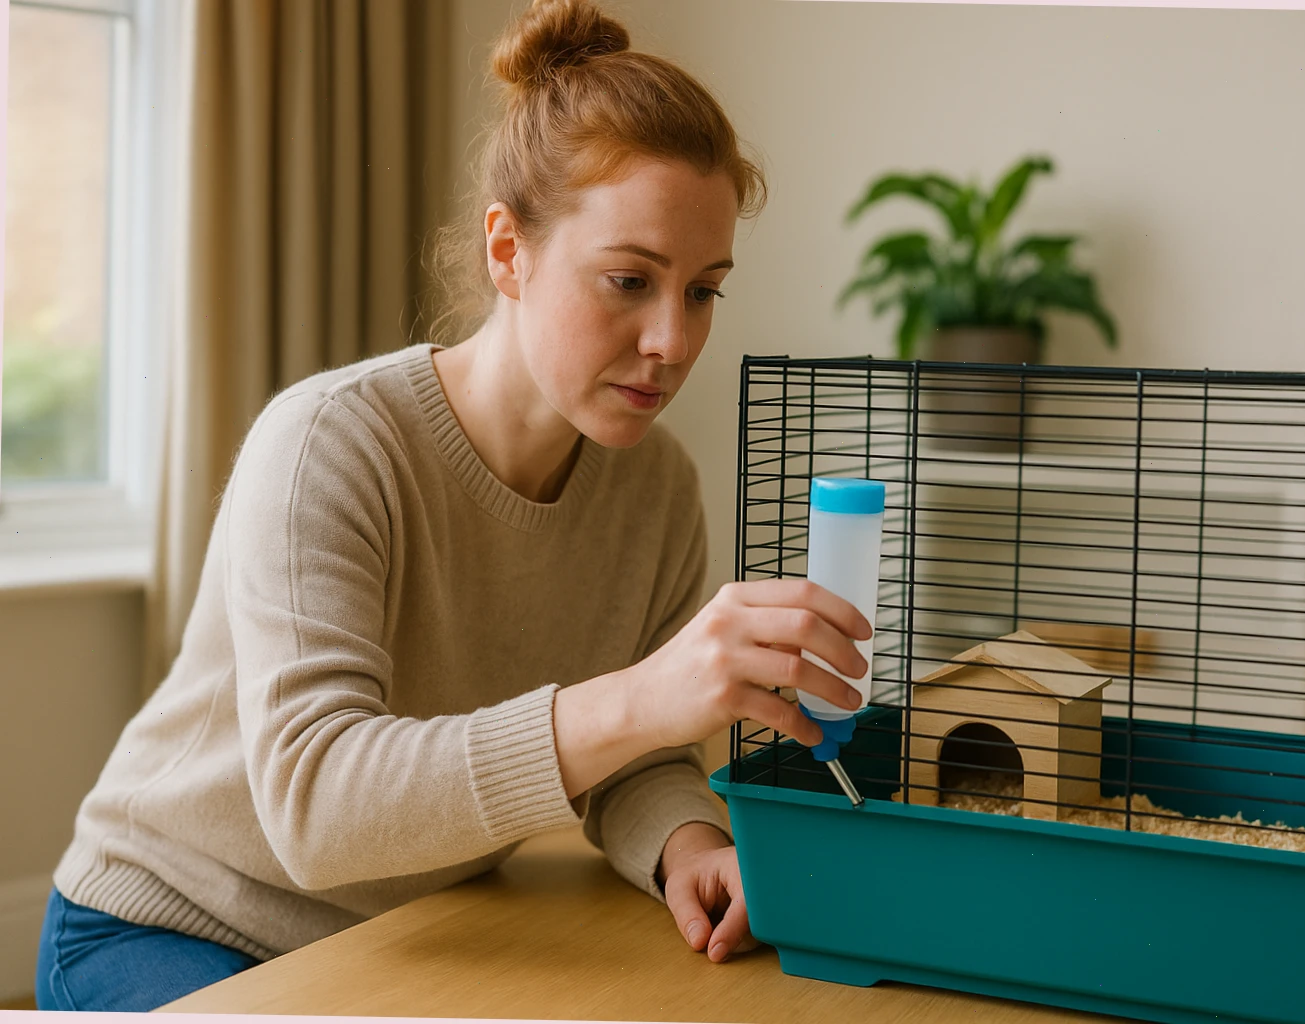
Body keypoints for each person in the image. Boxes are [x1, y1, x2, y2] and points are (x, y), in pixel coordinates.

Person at [34, 0, 869, 1011]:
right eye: (628, 280)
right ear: (506, 251)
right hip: (168, 918)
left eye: (702, 291)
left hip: (406, 929)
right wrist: (643, 694)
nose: (672, 341)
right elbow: (318, 808)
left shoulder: (656, 490)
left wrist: (688, 843)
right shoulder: (329, 445)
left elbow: (632, 765)